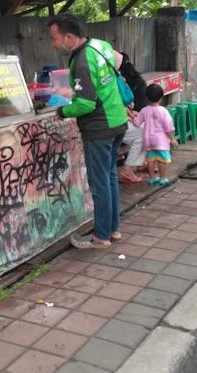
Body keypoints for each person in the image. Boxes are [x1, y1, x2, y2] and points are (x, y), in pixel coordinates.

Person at [47, 15, 127, 249]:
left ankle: (101, 237)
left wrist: (62, 111)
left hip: (100, 128)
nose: (52, 44)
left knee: (99, 182)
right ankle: (113, 229)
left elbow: (86, 105)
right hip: (117, 120)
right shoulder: (100, 44)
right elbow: (104, 80)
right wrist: (74, 91)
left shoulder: (81, 61)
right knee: (110, 176)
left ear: (69, 37)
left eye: (54, 39)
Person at [134, 83, 178, 187]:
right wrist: (172, 139)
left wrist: (133, 115)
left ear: (147, 97)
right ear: (161, 98)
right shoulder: (163, 111)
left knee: (151, 159)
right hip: (161, 141)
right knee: (162, 160)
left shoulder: (144, 110)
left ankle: (152, 178)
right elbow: (168, 127)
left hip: (148, 139)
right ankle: (162, 179)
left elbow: (137, 123)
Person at [118, 54, 148, 184]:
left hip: (119, 118)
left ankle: (141, 163)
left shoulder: (117, 77)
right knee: (142, 134)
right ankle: (127, 169)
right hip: (111, 122)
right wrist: (126, 114)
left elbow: (119, 102)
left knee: (146, 130)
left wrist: (129, 112)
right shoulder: (110, 78)